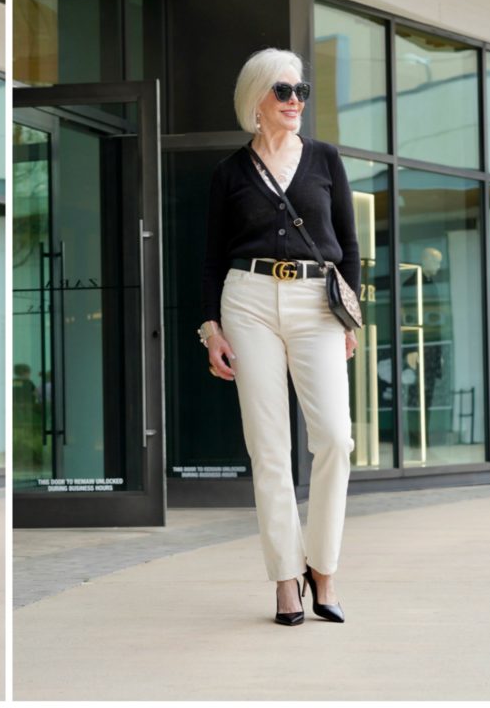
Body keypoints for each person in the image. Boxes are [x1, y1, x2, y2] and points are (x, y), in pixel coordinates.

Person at [198, 48, 360, 626]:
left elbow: (350, 245)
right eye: (283, 91)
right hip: (248, 301)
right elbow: (213, 258)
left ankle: (324, 566)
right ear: (257, 101)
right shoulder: (230, 173)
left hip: (317, 302)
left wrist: (351, 317)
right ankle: (285, 578)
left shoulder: (325, 159)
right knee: (268, 448)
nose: (295, 101)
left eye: (301, 92)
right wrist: (211, 328)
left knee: (336, 439)